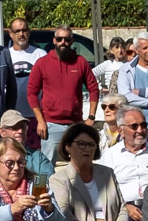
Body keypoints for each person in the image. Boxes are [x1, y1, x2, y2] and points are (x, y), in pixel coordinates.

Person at [26, 26, 98, 161]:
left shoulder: (81, 62)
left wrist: (91, 117)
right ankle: (43, 179)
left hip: (75, 125)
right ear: (54, 41)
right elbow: (31, 93)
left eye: (66, 39)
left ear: (72, 41)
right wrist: (40, 121)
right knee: (46, 165)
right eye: (59, 39)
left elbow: (93, 88)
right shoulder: (42, 63)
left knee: (80, 164)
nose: (63, 42)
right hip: (51, 125)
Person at [99, 107, 148, 221]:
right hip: (123, 208)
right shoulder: (110, 156)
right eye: (134, 126)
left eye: (143, 125)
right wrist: (125, 207)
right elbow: (103, 190)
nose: (140, 130)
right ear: (121, 131)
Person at [4, 17, 44, 127]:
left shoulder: (40, 54)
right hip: (12, 116)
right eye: (17, 31)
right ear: (11, 34)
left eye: (24, 30)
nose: (21, 34)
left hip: (36, 116)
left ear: (29, 32)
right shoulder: (5, 55)